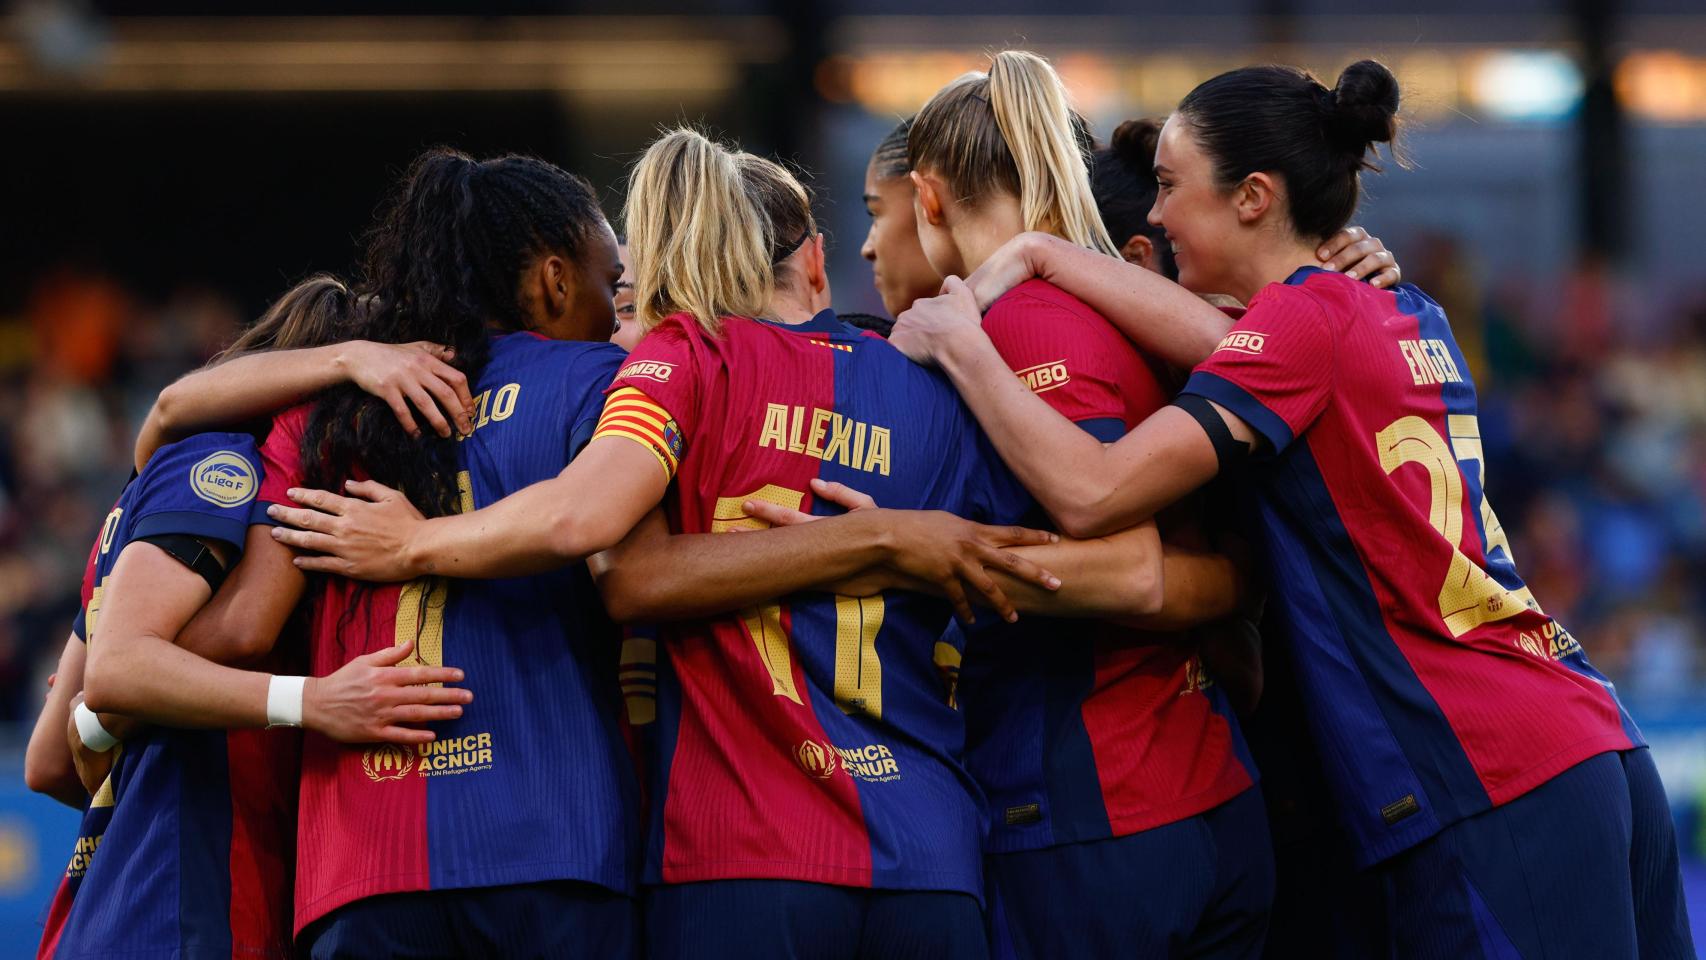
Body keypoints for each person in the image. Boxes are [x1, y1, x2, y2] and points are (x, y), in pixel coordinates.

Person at [267, 126, 1238, 959]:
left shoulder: (669, 368)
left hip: (732, 856)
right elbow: (1124, 565)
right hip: (932, 859)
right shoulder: (933, 387)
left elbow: (612, 553)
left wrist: (414, 543)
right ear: (811, 261)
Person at [891, 60, 1693, 959]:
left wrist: (966, 349)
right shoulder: (1400, 307)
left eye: (1168, 186)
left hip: (1481, 769)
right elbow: (1242, 346)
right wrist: (1044, 254)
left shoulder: (1305, 327)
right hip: (1582, 735)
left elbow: (1094, 493)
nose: (1153, 215)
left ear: (1253, 196)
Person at [901, 50, 1266, 958]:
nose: (875, 246)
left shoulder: (1027, 323)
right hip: (1206, 786)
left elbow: (1125, 559)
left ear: (928, 197)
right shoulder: (1133, 305)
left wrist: (886, 554)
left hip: (1094, 807)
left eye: (882, 214)